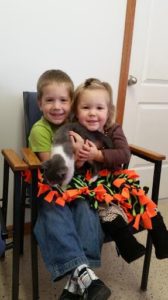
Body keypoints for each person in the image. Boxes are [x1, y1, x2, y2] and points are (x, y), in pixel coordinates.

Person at [29, 70, 111, 300]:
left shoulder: (76, 125)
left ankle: (77, 283)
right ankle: (84, 275)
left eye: (64, 100)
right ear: (39, 103)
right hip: (52, 187)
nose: (57, 107)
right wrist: (76, 154)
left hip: (78, 187)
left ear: (72, 103)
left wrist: (89, 156)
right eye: (50, 100)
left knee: (87, 208)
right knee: (53, 211)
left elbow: (91, 159)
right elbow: (53, 172)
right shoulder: (40, 130)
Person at [67, 78, 168, 262]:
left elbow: (124, 154)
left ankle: (163, 243)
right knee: (106, 211)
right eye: (86, 108)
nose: (92, 113)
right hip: (93, 186)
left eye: (99, 108)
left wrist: (98, 155)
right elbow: (70, 168)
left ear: (109, 111)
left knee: (143, 202)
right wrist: (80, 158)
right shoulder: (74, 134)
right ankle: (129, 247)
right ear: (76, 111)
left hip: (118, 181)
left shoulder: (113, 130)